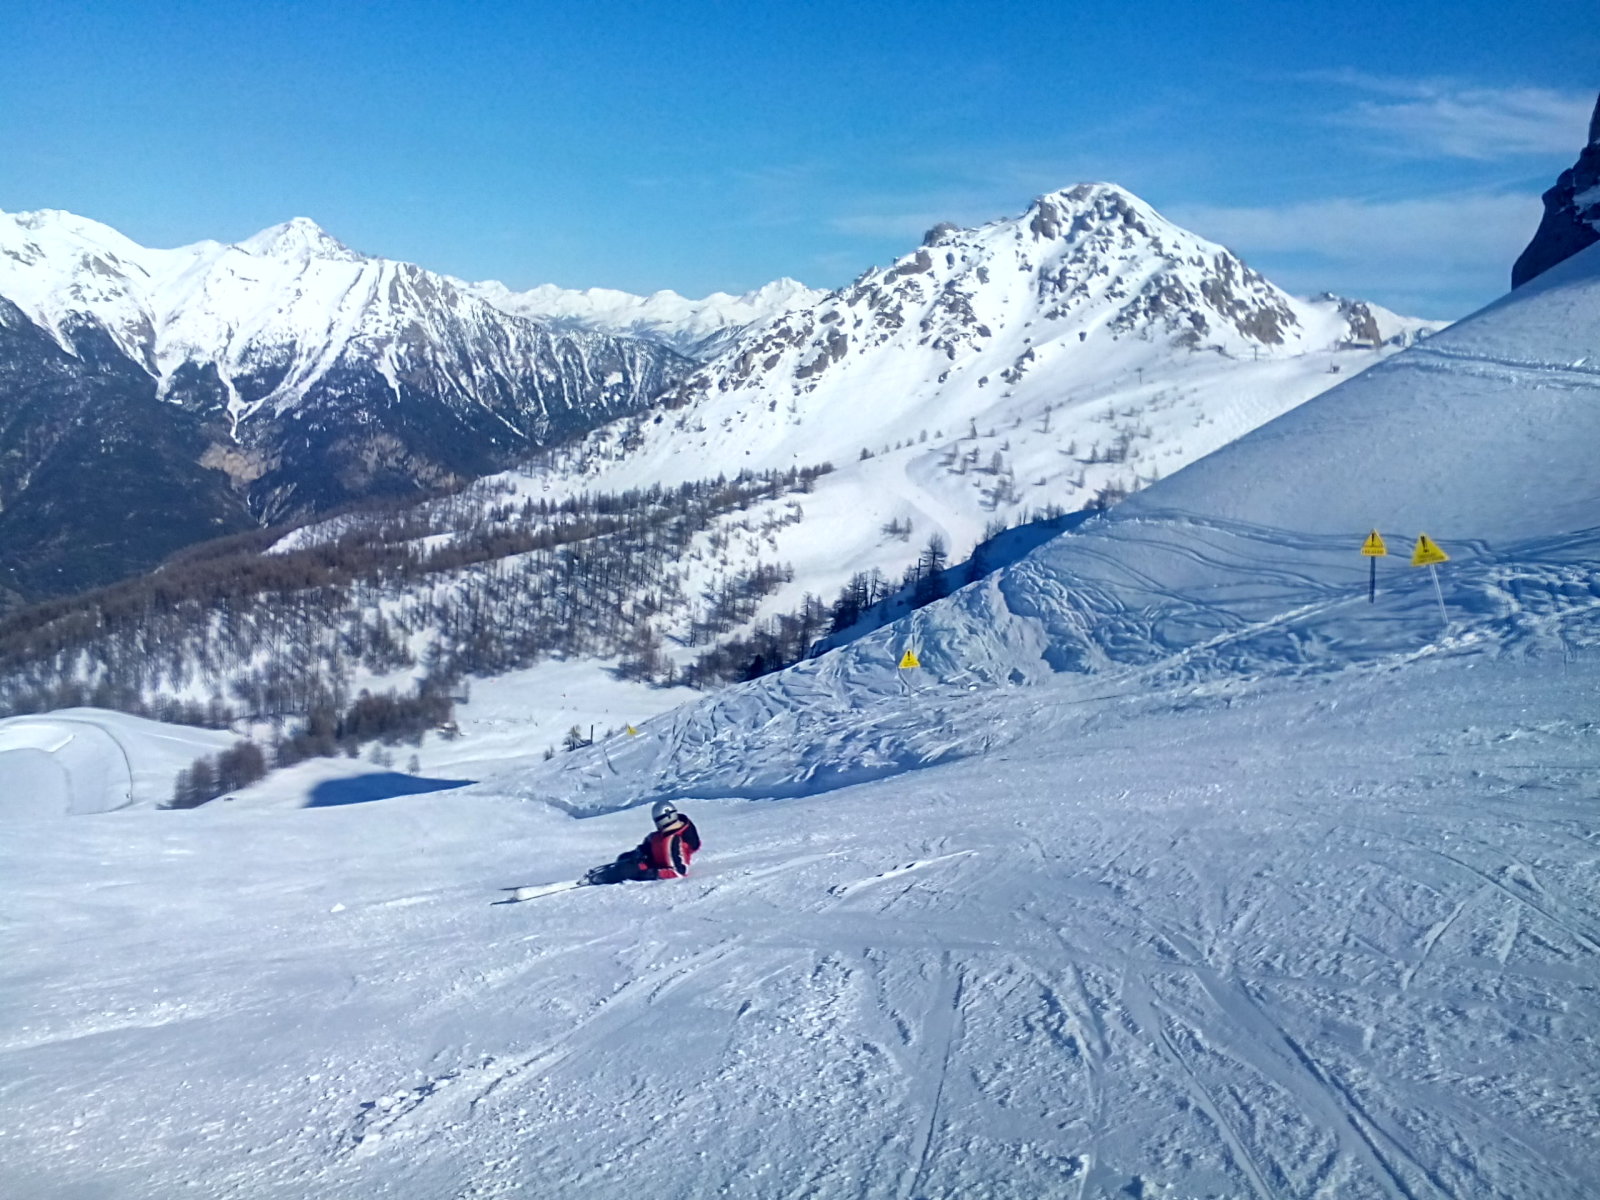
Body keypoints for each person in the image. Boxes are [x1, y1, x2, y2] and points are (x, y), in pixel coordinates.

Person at [584, 801, 701, 885]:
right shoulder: (663, 835)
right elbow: (652, 843)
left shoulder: (674, 841)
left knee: (627, 870)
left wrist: (653, 874)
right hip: (653, 859)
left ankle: (603, 878)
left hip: (657, 867)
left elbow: (679, 871)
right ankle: (606, 874)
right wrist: (642, 851)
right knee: (624, 858)